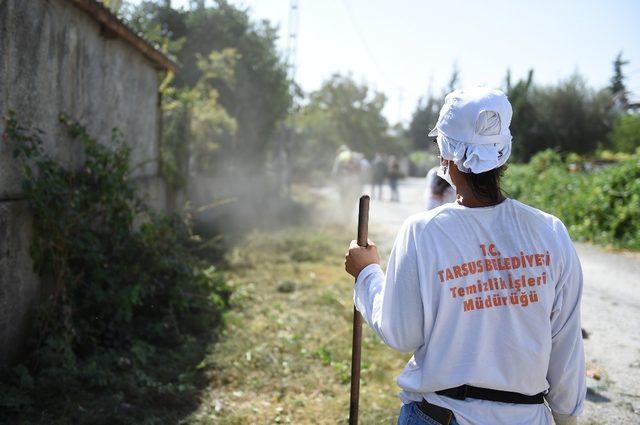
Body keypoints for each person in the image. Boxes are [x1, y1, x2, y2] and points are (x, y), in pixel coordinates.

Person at [345, 87, 585, 425]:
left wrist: (368, 273)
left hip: (440, 415)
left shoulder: (422, 232)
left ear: (447, 155)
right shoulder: (550, 232)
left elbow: (401, 333)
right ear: (503, 153)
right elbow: (566, 348)